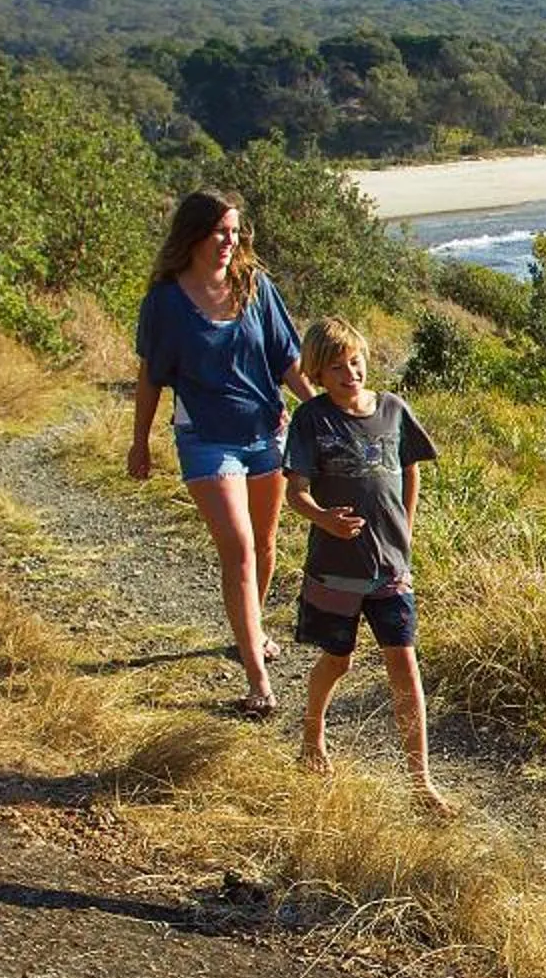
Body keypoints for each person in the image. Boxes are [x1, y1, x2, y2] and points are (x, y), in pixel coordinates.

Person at [129, 188, 310, 719]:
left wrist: (326, 410)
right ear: (194, 236)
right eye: (220, 232)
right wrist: (139, 441)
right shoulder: (165, 302)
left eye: (235, 231)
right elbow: (150, 377)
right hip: (207, 439)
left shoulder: (256, 287)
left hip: (265, 435)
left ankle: (247, 630)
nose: (231, 241)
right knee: (239, 549)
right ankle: (258, 677)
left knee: (265, 543)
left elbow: (288, 361)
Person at [280, 317, 451, 814]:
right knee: (339, 660)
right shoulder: (313, 420)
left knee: (405, 667)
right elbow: (297, 492)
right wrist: (322, 519)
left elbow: (411, 471)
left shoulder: (394, 410)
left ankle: (421, 783)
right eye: (336, 368)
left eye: (354, 361)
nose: (349, 373)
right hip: (335, 568)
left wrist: (406, 532)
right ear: (316, 373)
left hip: (392, 569)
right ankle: (313, 730)